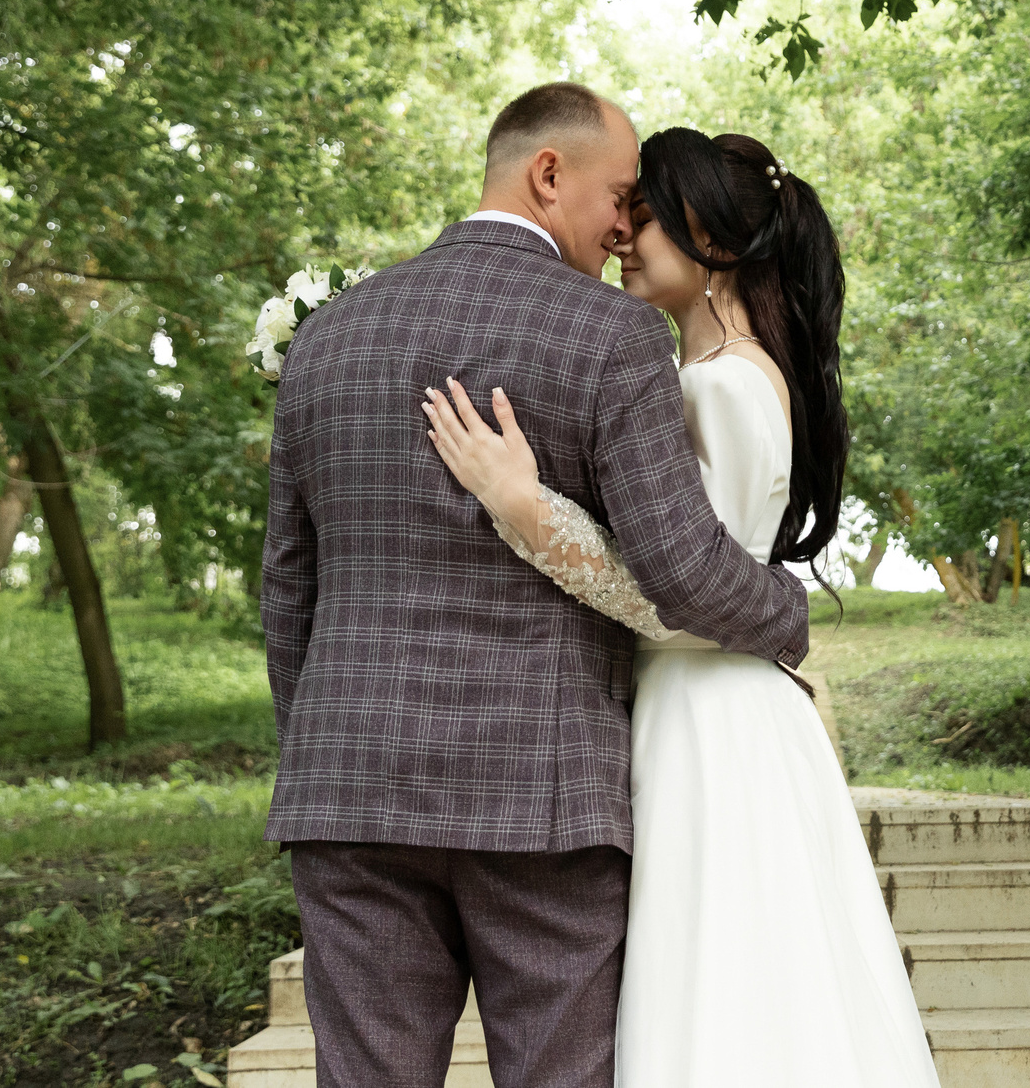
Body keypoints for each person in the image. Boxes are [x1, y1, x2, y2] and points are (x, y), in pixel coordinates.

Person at [262, 83, 811, 1088]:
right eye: (619, 196)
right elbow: (683, 568)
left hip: (349, 795)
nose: (623, 226)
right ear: (548, 174)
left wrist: (322, 752)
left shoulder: (325, 339)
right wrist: (788, 611)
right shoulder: (611, 336)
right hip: (544, 804)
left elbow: (289, 588)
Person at [422, 125, 940, 1088]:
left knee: (725, 989)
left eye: (646, 215)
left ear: (714, 241)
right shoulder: (717, 374)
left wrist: (526, 509)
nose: (622, 234)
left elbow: (689, 598)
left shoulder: (725, 385)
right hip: (709, 706)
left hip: (709, 717)